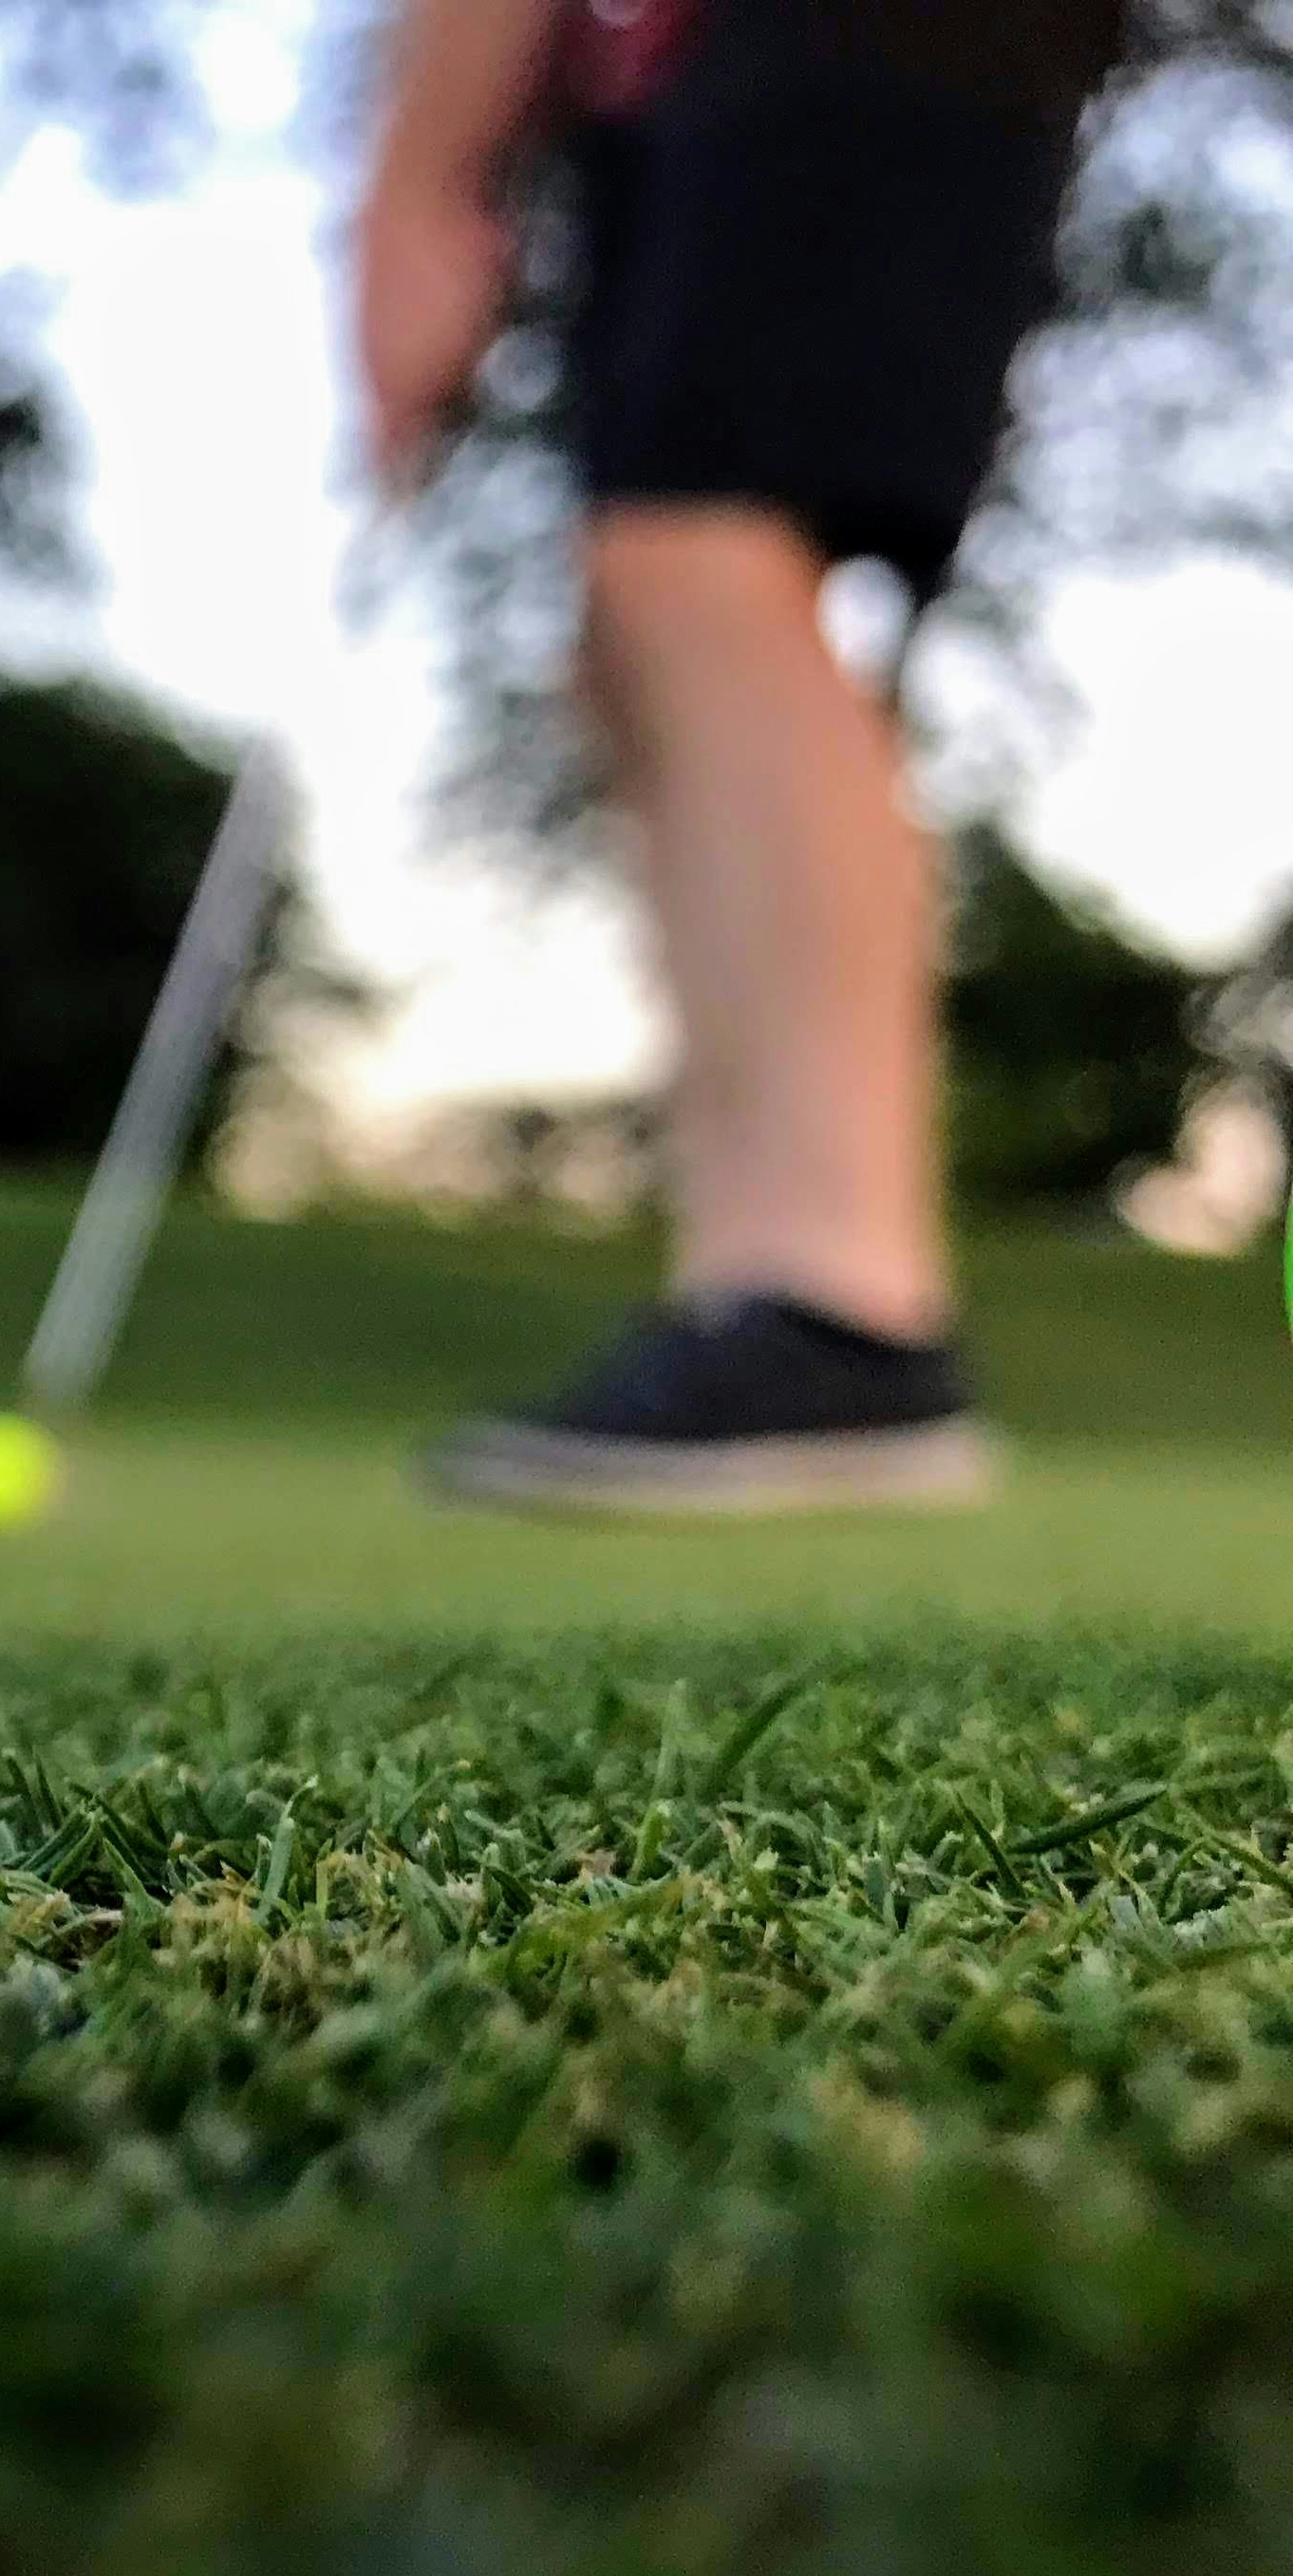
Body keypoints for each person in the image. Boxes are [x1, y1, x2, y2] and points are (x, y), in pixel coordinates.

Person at [360, 0, 1127, 1515]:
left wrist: (421, 182)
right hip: (679, 64)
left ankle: (840, 1299)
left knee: (696, 552)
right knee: (633, 616)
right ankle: (755, 1294)